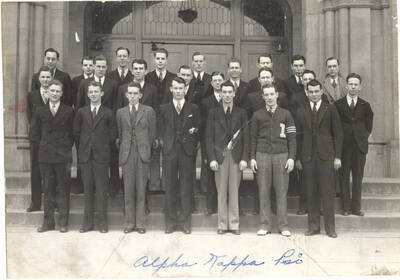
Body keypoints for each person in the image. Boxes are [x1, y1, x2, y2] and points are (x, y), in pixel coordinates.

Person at [295, 79, 342, 238]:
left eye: (317, 91)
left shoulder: (331, 109)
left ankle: (330, 228)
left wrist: (337, 157)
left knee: (328, 192)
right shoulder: (301, 111)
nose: (314, 94)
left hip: (326, 157)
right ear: (307, 93)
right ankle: (313, 226)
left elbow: (338, 135)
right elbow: (298, 137)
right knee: (311, 192)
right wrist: (298, 159)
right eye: (311, 92)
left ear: (321, 91)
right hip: (308, 157)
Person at [250, 84, 296, 236]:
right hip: (262, 154)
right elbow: (252, 138)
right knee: (263, 191)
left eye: (272, 94)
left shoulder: (286, 114)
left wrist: (291, 158)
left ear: (277, 95)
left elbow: (292, 138)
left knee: (281, 192)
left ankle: (283, 225)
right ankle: (265, 224)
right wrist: (252, 157)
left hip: (281, 155)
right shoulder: (257, 115)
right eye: (266, 95)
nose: (269, 97)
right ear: (262, 97)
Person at [157, 77, 201, 234]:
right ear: (171, 89)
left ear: (185, 89)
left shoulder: (193, 108)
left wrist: (193, 135)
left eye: (181, 88)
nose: (178, 91)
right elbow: (159, 128)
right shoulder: (163, 108)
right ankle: (170, 222)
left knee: (185, 187)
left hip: (187, 152)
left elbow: (198, 128)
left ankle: (184, 222)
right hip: (169, 151)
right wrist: (164, 142)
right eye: (175, 88)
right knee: (169, 187)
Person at [30, 80, 74, 233]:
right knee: (48, 189)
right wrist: (42, 148)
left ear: (61, 93)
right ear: (47, 92)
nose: (54, 94)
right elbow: (34, 134)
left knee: (63, 189)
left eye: (57, 91)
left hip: (63, 157)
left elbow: (72, 133)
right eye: (52, 91)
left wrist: (66, 148)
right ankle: (48, 223)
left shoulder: (69, 111)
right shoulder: (40, 111)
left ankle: (63, 222)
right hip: (46, 156)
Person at [206, 81, 249, 235]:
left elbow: (246, 137)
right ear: (220, 93)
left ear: (234, 93)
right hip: (220, 157)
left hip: (236, 157)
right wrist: (211, 158)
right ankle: (222, 224)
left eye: (230, 92)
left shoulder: (241, 112)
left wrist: (245, 158)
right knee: (221, 191)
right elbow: (208, 138)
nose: (227, 95)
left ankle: (234, 224)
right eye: (224, 92)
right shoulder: (213, 112)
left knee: (234, 191)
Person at [74, 80, 117, 233]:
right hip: (86, 156)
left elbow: (113, 135)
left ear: (101, 93)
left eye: (96, 91)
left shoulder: (108, 113)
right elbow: (77, 133)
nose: (93, 94)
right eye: (91, 92)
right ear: (87, 94)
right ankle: (87, 223)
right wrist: (85, 147)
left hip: (102, 157)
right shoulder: (81, 112)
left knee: (101, 190)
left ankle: (102, 223)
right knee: (88, 190)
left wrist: (101, 145)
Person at [76, 55, 120, 197]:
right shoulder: (84, 83)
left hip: (106, 128)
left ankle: (113, 187)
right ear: (93, 66)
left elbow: (115, 106)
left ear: (106, 68)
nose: (100, 69)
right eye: (98, 66)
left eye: (103, 67)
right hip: (88, 128)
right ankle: (84, 186)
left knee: (110, 159)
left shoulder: (112, 84)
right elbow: (80, 105)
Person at [116, 82, 156, 234]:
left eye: (135, 93)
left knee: (140, 189)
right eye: (130, 94)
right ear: (126, 95)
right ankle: (129, 223)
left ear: (140, 95)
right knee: (128, 189)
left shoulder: (148, 111)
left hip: (142, 153)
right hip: (127, 152)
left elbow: (152, 133)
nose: (132, 96)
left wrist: (145, 147)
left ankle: (140, 223)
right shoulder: (120, 112)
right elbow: (120, 133)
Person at [335, 73, 374, 216]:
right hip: (344, 147)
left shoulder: (365, 105)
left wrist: (363, 136)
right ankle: (345, 208)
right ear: (346, 86)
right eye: (350, 84)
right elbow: (336, 125)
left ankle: (356, 208)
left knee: (358, 177)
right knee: (343, 176)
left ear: (360, 87)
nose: (353, 87)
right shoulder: (338, 104)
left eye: (356, 84)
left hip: (359, 147)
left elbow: (369, 124)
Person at [145, 48, 176, 191]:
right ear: (154, 60)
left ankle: (167, 186)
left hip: (168, 123)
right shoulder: (148, 77)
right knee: (154, 156)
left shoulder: (173, 78)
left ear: (167, 60)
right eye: (158, 58)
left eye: (163, 59)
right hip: (152, 122)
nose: (160, 61)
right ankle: (155, 187)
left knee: (168, 157)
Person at [26, 66, 53, 212]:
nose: (46, 80)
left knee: (51, 170)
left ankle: (53, 202)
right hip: (37, 139)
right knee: (36, 169)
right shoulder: (32, 95)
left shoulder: (55, 93)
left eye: (48, 77)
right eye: (43, 77)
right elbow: (30, 117)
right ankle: (35, 202)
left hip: (52, 139)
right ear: (38, 79)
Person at [200, 71, 225, 215]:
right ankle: (210, 206)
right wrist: (205, 148)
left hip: (226, 145)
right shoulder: (206, 102)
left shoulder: (229, 98)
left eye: (220, 80)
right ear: (211, 83)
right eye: (215, 80)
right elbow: (204, 127)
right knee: (211, 176)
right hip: (211, 144)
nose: (217, 82)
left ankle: (224, 206)